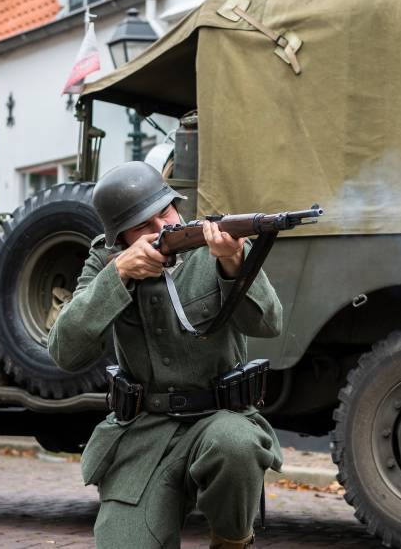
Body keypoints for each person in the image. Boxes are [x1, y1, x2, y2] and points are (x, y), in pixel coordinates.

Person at [48, 161, 284, 549]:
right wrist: (118, 275)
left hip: (219, 419)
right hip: (144, 432)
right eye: (143, 225)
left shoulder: (213, 245)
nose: (161, 228)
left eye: (166, 212)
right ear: (121, 238)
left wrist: (233, 263)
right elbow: (64, 352)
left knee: (237, 444)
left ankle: (232, 540)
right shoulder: (106, 261)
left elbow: (269, 324)